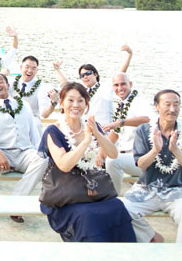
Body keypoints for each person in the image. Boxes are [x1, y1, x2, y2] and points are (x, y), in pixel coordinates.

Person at [38, 82, 136, 242]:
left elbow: (113, 153)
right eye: (70, 100)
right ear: (61, 103)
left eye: (80, 101)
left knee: (117, 207)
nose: (75, 105)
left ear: (86, 104)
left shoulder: (91, 126)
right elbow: (64, 165)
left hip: (91, 189)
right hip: (63, 192)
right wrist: (85, 142)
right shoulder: (53, 131)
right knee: (87, 216)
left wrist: (97, 133)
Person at [121, 89, 182, 243]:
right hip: (146, 189)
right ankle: (152, 237)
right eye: (167, 104)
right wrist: (155, 150)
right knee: (120, 210)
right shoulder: (144, 131)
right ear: (156, 106)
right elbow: (141, 165)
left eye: (176, 105)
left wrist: (176, 150)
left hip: (176, 190)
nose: (172, 109)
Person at [0, 73, 46, 223]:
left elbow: (34, 134)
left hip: (24, 152)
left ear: (8, 85)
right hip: (3, 154)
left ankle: (16, 201)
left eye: (0, 81)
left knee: (43, 160)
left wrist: (40, 152)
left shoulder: (24, 105)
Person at [53, 44, 133, 126]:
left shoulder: (105, 87)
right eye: (82, 75)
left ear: (95, 74)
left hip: (105, 131)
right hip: (88, 130)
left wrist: (129, 55)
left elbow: (120, 73)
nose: (85, 77)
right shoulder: (83, 92)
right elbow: (66, 85)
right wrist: (57, 70)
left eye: (87, 73)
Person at [102, 72, 153, 193]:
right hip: (125, 155)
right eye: (116, 85)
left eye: (123, 84)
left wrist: (121, 122)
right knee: (96, 156)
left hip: (141, 159)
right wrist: (101, 152)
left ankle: (114, 197)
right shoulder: (121, 105)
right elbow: (114, 134)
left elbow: (148, 119)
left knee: (112, 161)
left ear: (130, 84)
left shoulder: (139, 102)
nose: (120, 88)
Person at [11, 55, 59, 123]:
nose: (30, 71)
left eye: (33, 68)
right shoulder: (11, 83)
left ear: (37, 70)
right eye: (27, 67)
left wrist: (53, 103)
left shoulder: (42, 87)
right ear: (21, 67)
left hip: (31, 123)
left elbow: (44, 114)